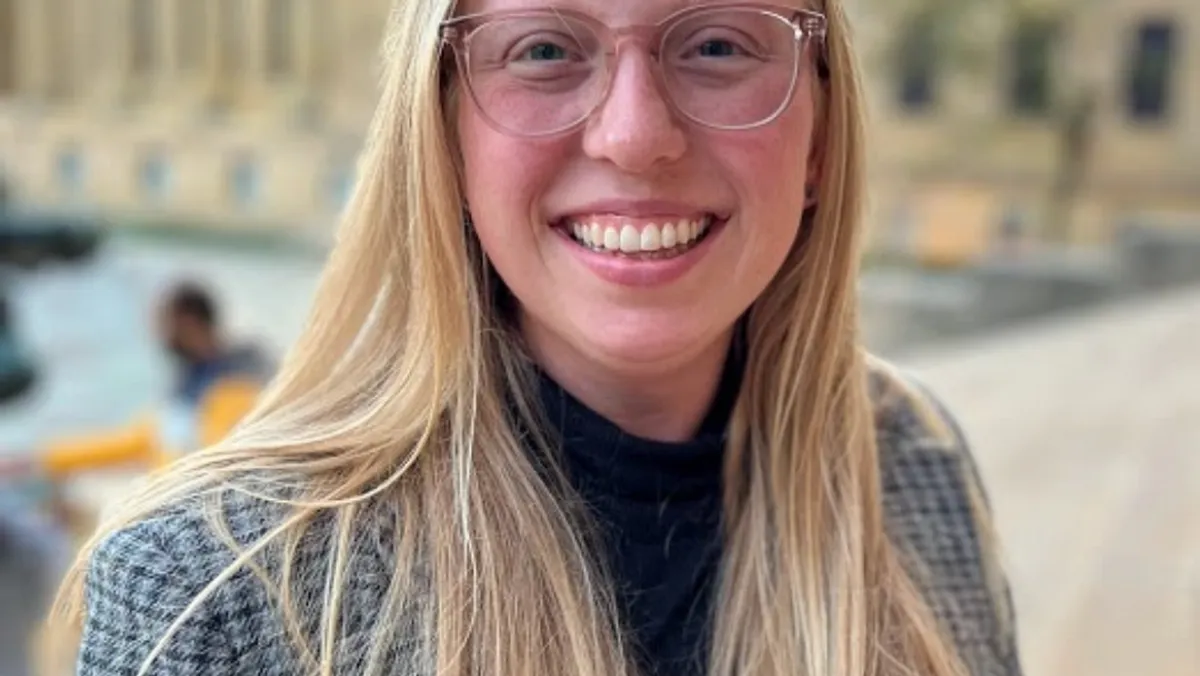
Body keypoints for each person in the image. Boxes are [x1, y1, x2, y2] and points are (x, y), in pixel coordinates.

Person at [44, 2, 1023, 675]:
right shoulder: (213, 588)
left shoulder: (911, 461)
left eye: (718, 43)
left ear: (817, 135)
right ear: (442, 129)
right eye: (545, 49)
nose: (635, 135)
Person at [0, 281, 272, 485]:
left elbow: (214, 461)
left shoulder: (237, 386)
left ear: (188, 322)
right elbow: (136, 439)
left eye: (164, 323)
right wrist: (37, 460)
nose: (158, 334)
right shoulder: (195, 380)